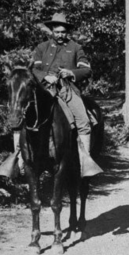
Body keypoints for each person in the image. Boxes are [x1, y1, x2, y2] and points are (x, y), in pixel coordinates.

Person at [31, 12, 102, 177]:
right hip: (44, 89)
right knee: (22, 116)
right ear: (52, 31)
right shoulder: (42, 48)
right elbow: (34, 69)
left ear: (67, 32)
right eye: (57, 32)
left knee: (83, 121)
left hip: (66, 89)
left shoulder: (76, 48)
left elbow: (86, 70)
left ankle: (86, 161)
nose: (60, 35)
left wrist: (70, 73)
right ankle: (19, 159)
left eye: (63, 32)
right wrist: (44, 76)